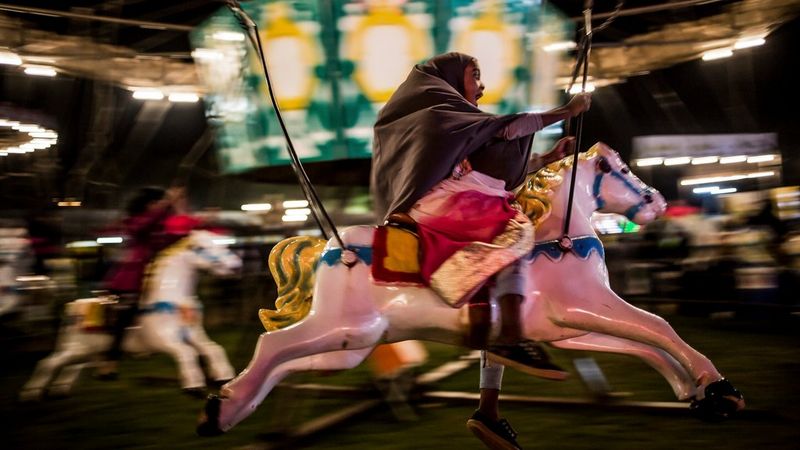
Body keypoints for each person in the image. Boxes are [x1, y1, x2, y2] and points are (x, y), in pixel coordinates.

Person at [371, 52, 590, 449]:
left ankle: (489, 409)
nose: (482, 85)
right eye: (475, 75)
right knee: (516, 234)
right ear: (452, 79)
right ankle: (510, 335)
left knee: (507, 257)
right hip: (453, 203)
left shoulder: (462, 127)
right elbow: (509, 128)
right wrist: (568, 109)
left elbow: (497, 171)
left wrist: (549, 157)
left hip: (476, 195)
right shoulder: (441, 115)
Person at [97, 186, 188, 378]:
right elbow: (145, 225)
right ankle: (109, 360)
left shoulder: (156, 226)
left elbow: (177, 236)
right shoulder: (134, 223)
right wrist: (167, 204)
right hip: (129, 280)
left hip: (153, 280)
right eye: (157, 203)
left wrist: (179, 209)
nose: (160, 207)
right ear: (149, 205)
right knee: (123, 318)